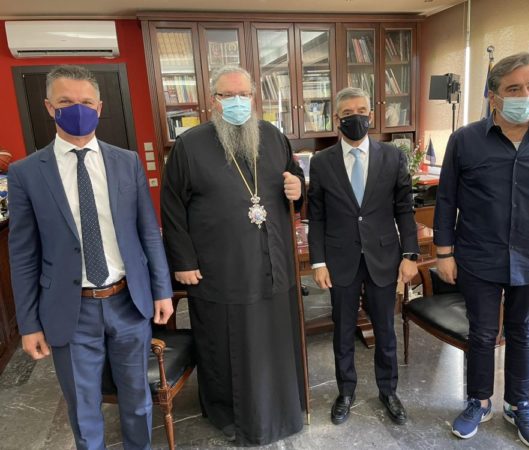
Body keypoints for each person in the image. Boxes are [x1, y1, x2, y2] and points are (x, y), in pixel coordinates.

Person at [8, 65, 173, 450]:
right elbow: (23, 254)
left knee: (137, 401)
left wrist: (162, 290)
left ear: (99, 107)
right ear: (49, 107)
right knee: (83, 411)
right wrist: (29, 324)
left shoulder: (126, 162)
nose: (77, 109)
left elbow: (148, 232)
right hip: (70, 309)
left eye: (85, 102)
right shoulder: (26, 173)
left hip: (128, 301)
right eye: (66, 102)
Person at [434, 52, 529, 448]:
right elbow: (446, 200)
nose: (525, 95)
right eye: (514, 89)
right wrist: (444, 254)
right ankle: (478, 401)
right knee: (482, 333)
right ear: (494, 96)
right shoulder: (465, 140)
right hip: (479, 256)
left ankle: (519, 404)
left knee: (522, 331)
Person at [160, 66, 305, 445]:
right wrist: (183, 262)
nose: (238, 102)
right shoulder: (189, 146)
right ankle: (232, 417)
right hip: (220, 270)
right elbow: (172, 208)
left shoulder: (274, 137)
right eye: (228, 95)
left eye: (244, 94)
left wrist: (298, 187)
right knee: (229, 349)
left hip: (272, 265)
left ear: (254, 98)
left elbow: (294, 183)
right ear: (214, 101)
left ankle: (281, 411)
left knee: (274, 345)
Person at [308, 87, 419, 426]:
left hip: (384, 257)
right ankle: (346, 391)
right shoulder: (321, 162)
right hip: (340, 259)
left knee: (385, 329)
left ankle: (389, 391)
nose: (356, 117)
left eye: (362, 111)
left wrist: (410, 254)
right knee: (342, 330)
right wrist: (318, 262)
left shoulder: (393, 156)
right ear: (336, 119)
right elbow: (317, 217)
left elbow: (404, 209)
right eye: (348, 113)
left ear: (371, 114)